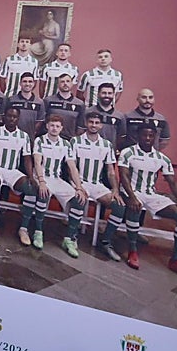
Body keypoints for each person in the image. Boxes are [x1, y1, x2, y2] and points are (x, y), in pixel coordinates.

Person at [114, 123, 177, 281]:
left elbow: (172, 182)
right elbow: (123, 176)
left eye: (151, 136)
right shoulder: (128, 152)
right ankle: (133, 250)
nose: (147, 138)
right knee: (134, 207)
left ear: (155, 138)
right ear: (138, 136)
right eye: (144, 135)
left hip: (151, 195)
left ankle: (176, 260)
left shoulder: (161, 158)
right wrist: (132, 196)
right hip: (131, 192)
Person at [68, 112, 123, 261]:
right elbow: (71, 166)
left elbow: (111, 171)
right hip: (79, 182)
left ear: (101, 125)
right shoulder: (76, 141)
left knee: (119, 206)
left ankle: (106, 241)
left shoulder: (106, 145)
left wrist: (115, 189)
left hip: (96, 184)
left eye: (96, 122)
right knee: (80, 199)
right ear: (86, 123)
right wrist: (78, 186)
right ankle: (71, 237)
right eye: (91, 122)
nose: (93, 125)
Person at [0, 107, 38, 244]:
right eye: (9, 116)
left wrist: (30, 176)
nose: (12, 119)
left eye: (15, 117)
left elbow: (27, 158)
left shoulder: (23, 136)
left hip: (12, 171)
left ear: (18, 119)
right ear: (4, 117)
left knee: (30, 189)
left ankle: (23, 229)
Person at [30, 115, 85, 253]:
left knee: (79, 200)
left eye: (57, 126)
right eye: (52, 125)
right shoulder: (40, 140)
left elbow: (72, 166)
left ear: (61, 128)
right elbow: (37, 162)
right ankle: (38, 232)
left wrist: (78, 187)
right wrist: (41, 181)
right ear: (47, 126)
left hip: (57, 179)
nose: (54, 128)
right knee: (43, 193)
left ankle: (69, 238)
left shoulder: (66, 144)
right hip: (41, 177)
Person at [42, 72, 86, 140]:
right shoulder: (48, 101)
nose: (65, 84)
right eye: (62, 81)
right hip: (50, 140)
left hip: (69, 141)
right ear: (58, 84)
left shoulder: (80, 104)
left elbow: (80, 128)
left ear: (72, 83)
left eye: (68, 81)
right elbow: (43, 122)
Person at [4, 73, 45, 139]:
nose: (27, 84)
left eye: (30, 81)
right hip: (12, 137)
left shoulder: (40, 102)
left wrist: (33, 132)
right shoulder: (11, 100)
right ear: (20, 83)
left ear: (34, 84)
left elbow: (40, 121)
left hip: (30, 138)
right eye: (24, 81)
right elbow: (6, 118)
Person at [91, 83, 127, 150]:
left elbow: (121, 138)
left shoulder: (120, 116)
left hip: (110, 153)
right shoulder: (88, 112)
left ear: (113, 95)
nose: (107, 95)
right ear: (98, 94)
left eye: (110, 93)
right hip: (90, 150)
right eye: (104, 93)